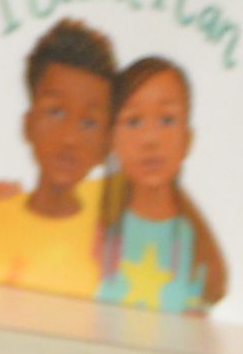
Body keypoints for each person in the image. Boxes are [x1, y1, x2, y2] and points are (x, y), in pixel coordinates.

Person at [0, 16, 119, 296]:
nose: (69, 138)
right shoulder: (0, 215)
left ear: (106, 145)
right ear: (28, 125)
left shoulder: (112, 219)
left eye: (89, 123)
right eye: (56, 112)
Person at [94, 52, 231, 314]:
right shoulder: (97, 223)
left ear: (187, 139)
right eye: (133, 121)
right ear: (112, 139)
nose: (150, 139)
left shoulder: (196, 245)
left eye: (167, 120)